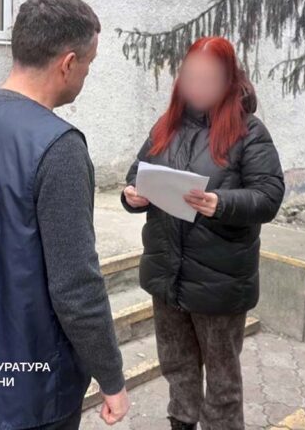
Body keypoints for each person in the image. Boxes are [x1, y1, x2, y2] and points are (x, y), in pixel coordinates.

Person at [0, 0, 129, 429]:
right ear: (68, 63)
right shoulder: (58, 148)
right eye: (89, 64)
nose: (86, 75)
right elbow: (76, 287)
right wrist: (111, 377)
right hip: (27, 395)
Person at [121, 36, 285, 430]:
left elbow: (268, 196)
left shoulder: (249, 132)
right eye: (190, 76)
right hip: (168, 274)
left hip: (219, 281)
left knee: (222, 382)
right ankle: (181, 423)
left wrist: (221, 203)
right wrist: (132, 196)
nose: (196, 86)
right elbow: (137, 174)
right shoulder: (167, 126)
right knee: (177, 367)